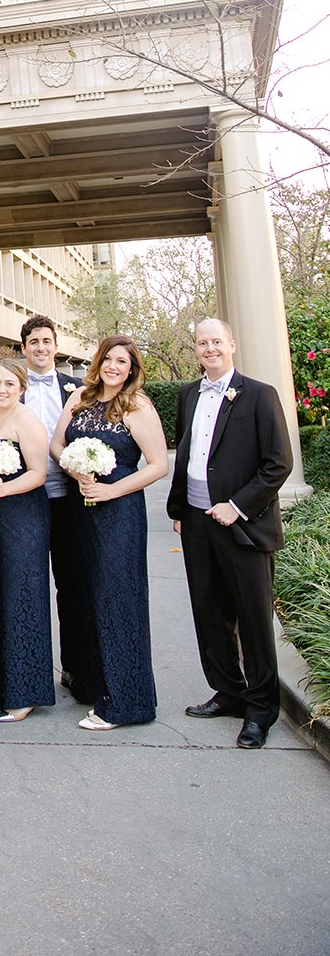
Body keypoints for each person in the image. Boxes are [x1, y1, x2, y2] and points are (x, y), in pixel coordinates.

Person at [167, 318, 293, 750]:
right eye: (202, 343)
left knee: (253, 620)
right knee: (209, 612)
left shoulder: (259, 395)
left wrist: (236, 506)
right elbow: (187, 454)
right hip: (197, 524)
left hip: (243, 525)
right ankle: (229, 692)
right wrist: (180, 509)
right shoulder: (188, 394)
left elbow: (278, 463)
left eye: (216, 341)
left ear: (232, 345)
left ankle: (260, 711)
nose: (209, 349)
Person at [51, 335, 168, 730]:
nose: (114, 366)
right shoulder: (80, 397)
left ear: (132, 368)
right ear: (98, 361)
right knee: (83, 596)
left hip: (118, 511)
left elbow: (157, 465)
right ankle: (93, 684)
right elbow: (55, 444)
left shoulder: (137, 405)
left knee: (116, 599)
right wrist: (75, 468)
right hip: (77, 507)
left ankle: (125, 703)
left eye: (123, 361)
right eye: (109, 359)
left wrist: (111, 488)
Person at [0, 360, 55, 722]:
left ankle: (25, 693)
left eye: (9, 383)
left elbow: (38, 474)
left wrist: (4, 488)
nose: (1, 389)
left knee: (22, 598)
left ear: (21, 387)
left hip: (23, 518)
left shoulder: (28, 422)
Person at [19, 315, 81, 691]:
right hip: (23, 502)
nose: (41, 348)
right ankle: (29, 668)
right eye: (33, 342)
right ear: (23, 348)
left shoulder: (76, 389)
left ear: (56, 346)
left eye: (46, 341)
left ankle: (73, 666)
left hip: (67, 501)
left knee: (70, 585)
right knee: (26, 584)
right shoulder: (10, 389)